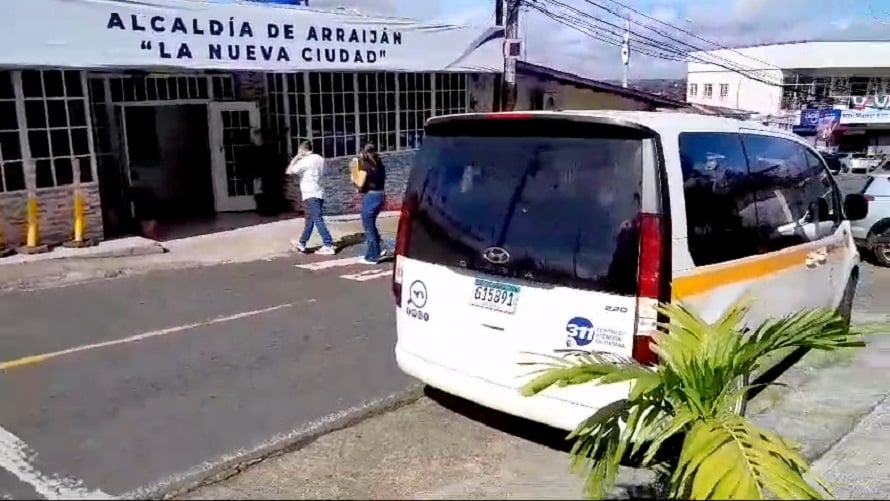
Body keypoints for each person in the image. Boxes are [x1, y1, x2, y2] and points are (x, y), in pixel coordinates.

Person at [286, 141, 336, 255]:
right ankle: (302, 243)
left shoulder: (304, 161)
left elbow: (289, 171)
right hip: (319, 192)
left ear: (303, 150)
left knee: (317, 218)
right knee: (310, 219)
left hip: (310, 193)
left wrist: (297, 157)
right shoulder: (319, 158)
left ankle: (328, 244)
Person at [351, 143, 393, 264]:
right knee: (371, 226)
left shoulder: (365, 165)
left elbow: (359, 184)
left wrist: (353, 171)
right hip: (380, 195)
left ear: (363, 152)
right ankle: (374, 252)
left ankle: (373, 256)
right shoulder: (379, 163)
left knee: (369, 227)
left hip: (371, 197)